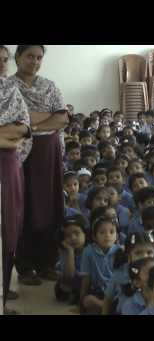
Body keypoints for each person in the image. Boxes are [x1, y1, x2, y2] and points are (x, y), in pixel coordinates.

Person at [10, 45, 69, 285]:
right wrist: (44, 118)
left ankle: (47, 262)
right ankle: (25, 267)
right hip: (20, 154)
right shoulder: (7, 87)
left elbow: (62, 118)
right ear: (17, 58)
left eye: (39, 57)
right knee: (24, 207)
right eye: (29, 56)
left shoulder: (50, 86)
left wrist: (30, 124)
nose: (34, 61)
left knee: (50, 204)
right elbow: (12, 119)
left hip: (49, 152)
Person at [0, 45, 33, 312]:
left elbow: (23, 127)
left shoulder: (9, 90)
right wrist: (3, 137)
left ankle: (2, 293)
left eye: (4, 60)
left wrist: (8, 138)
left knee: (9, 225)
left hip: (8, 165)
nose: (2, 65)